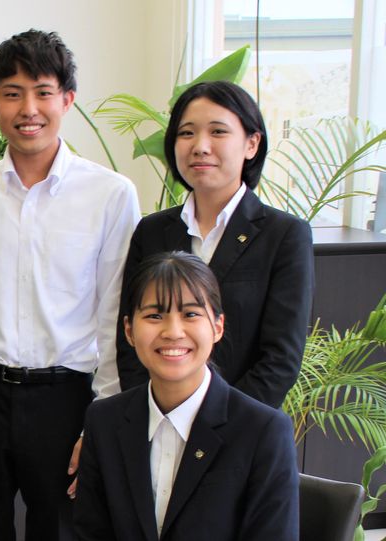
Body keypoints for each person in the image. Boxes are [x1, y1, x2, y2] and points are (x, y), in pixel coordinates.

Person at [0, 30, 141, 541]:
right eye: (12, 94)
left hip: (68, 397)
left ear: (67, 99)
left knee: (62, 532)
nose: (28, 109)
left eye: (43, 92)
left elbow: (116, 311)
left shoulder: (110, 194)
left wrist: (103, 416)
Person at [75, 251, 299, 541]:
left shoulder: (263, 431)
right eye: (155, 316)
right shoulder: (104, 421)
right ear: (129, 330)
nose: (173, 332)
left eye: (190, 314)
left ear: (217, 327)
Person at [117, 80, 314, 408]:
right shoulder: (151, 232)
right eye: (187, 133)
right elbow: (130, 342)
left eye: (218, 132)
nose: (200, 146)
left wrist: (217, 422)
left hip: (242, 425)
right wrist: (154, 415)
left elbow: (281, 358)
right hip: (157, 420)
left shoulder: (284, 234)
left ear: (251, 144)